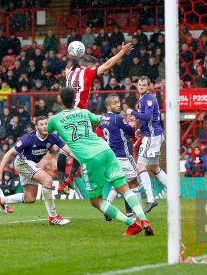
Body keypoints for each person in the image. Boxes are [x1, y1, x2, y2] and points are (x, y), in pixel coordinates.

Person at [47, 87, 153, 236]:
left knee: (96, 201)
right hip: (106, 150)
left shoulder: (55, 119)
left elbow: (46, 131)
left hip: (90, 158)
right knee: (125, 189)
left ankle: (132, 224)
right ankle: (144, 220)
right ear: (74, 99)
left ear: (60, 100)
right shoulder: (84, 112)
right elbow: (101, 118)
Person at [56, 42, 133, 195]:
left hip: (66, 116)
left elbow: (67, 74)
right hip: (80, 116)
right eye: (94, 66)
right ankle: (71, 178)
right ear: (90, 65)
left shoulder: (70, 73)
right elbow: (109, 64)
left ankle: (61, 182)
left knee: (64, 150)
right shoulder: (88, 72)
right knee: (83, 150)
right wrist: (122, 52)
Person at [0, 116, 73, 225]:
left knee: (30, 198)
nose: (45, 126)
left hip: (31, 164)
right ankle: (53, 217)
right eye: (41, 124)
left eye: (46, 124)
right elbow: (9, 153)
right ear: (36, 127)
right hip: (22, 163)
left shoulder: (53, 137)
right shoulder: (28, 138)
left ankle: (1, 200)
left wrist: (83, 160)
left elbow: (69, 151)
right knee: (48, 180)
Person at [96, 94, 142, 220]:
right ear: (108, 106)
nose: (118, 105)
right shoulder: (118, 118)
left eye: (118, 102)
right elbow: (130, 131)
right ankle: (137, 214)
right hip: (123, 156)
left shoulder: (103, 118)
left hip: (110, 157)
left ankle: (107, 207)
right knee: (134, 183)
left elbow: (98, 133)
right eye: (115, 103)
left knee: (118, 183)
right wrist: (133, 128)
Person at [126, 76, 167, 214]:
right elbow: (148, 119)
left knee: (140, 166)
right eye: (140, 84)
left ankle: (150, 199)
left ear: (149, 86)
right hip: (153, 134)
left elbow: (148, 116)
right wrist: (140, 129)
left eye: (144, 85)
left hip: (152, 137)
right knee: (154, 167)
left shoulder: (148, 98)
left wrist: (132, 112)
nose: (141, 87)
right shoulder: (143, 98)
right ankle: (175, 193)